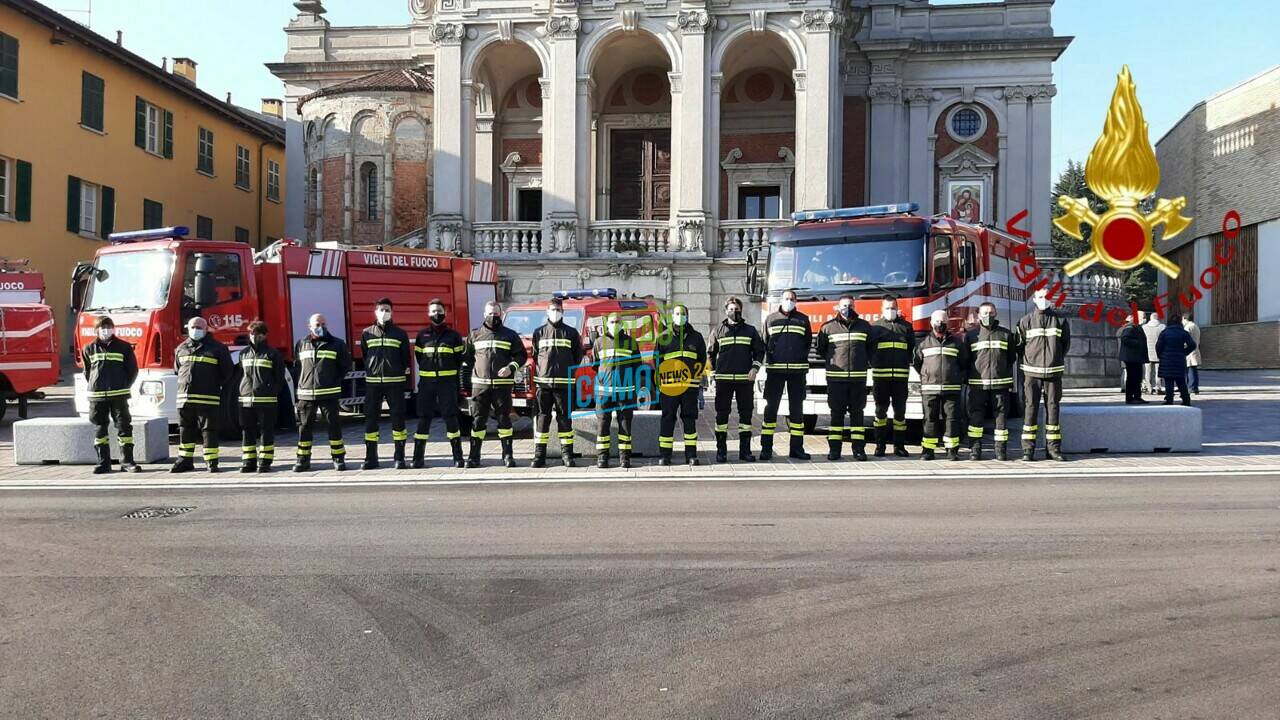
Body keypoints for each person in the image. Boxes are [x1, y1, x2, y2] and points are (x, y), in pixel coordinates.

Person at [464, 300, 526, 468]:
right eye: (490, 313)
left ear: (501, 314)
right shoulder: (475, 335)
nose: (493, 316)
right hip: (480, 387)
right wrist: (469, 383)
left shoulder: (510, 335)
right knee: (478, 422)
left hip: (502, 386)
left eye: (496, 313)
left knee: (504, 421)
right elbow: (467, 359)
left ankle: (507, 456)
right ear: (484, 314)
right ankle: (474, 457)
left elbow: (521, 356)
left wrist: (510, 368)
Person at [171, 317, 233, 473]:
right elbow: (177, 371)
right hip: (185, 399)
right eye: (193, 326)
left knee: (209, 430)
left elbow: (227, 372)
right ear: (188, 328)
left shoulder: (217, 348)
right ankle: (185, 460)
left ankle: (211, 461)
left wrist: (212, 385)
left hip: (208, 397)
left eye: (199, 327)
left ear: (206, 329)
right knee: (185, 429)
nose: (195, 329)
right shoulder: (181, 348)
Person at [1016, 287, 1071, 462]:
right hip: (1032, 373)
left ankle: (1053, 449)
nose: (1044, 300)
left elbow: (1065, 345)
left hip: (1053, 372)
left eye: (1046, 297)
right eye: (1040, 297)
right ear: (1034, 299)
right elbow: (1019, 346)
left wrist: (1055, 359)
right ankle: (1028, 450)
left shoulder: (1061, 321)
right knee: (1030, 409)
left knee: (1053, 409)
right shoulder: (1025, 321)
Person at [816, 295, 873, 461]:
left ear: (855, 306)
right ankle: (834, 450)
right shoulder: (827, 327)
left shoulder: (864, 327)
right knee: (836, 415)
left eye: (850, 305)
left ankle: (859, 450)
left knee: (857, 416)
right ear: (837, 307)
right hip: (836, 380)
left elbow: (871, 348)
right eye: (844, 305)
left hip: (858, 379)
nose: (847, 307)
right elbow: (821, 349)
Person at [708, 296, 764, 463]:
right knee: (721, 416)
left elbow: (759, 351)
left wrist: (755, 368)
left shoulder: (750, 330)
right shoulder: (718, 331)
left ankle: (745, 452)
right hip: (723, 380)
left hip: (744, 381)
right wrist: (712, 374)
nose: (734, 312)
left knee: (746, 416)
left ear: (741, 310)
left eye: (737, 309)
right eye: (731, 309)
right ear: (726, 311)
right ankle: (721, 451)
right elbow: (710, 353)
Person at [412, 299, 467, 469]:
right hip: (427, 384)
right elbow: (420, 358)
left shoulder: (454, 336)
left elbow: (459, 360)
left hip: (447, 384)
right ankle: (418, 458)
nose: (437, 314)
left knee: (451, 418)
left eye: (439, 311)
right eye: (433, 311)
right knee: (423, 418)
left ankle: (458, 457)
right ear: (429, 314)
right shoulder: (422, 336)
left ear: (445, 312)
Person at [82, 316, 140, 474]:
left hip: (119, 395)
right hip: (97, 397)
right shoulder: (89, 348)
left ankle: (127, 461)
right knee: (100, 429)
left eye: (108, 327)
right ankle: (103, 463)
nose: (105, 330)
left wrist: (123, 386)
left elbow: (132, 371)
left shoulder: (124, 347)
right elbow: (88, 372)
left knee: (124, 427)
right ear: (96, 330)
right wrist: (96, 386)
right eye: (102, 327)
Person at [531, 297, 583, 468]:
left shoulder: (571, 333)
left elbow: (577, 357)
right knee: (542, 420)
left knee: (565, 420)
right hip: (543, 385)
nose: (555, 312)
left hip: (564, 384)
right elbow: (535, 355)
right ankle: (539, 456)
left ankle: (567, 455)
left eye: (558, 310)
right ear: (547, 311)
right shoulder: (538, 332)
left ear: (562, 312)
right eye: (552, 309)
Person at [294, 313, 351, 472]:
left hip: (329, 393)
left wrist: (333, 380)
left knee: (334, 426)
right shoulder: (301, 344)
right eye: (317, 324)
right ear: (309, 326)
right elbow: (298, 366)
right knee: (304, 428)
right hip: (306, 394)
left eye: (323, 324)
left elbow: (345, 366)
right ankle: (303, 460)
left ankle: (338, 459)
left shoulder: (337, 344)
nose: (321, 327)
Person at [360, 298, 412, 469]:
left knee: (398, 421)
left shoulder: (400, 334)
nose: (384, 313)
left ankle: (399, 457)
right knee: (370, 421)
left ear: (392, 312)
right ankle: (371, 458)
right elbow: (365, 355)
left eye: (387, 309)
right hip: (373, 384)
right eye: (381, 309)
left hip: (395, 384)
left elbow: (406, 360)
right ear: (375, 312)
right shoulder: (367, 333)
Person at [762, 289, 812, 460]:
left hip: (797, 372)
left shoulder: (803, 320)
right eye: (786, 298)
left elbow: (807, 343)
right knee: (770, 410)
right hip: (775, 372)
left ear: (796, 301)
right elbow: (764, 343)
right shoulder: (770, 319)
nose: (789, 301)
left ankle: (797, 449)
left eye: (792, 298)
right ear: (781, 300)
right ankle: (766, 449)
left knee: (797, 412)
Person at [964, 302, 1018, 461]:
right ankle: (975, 450)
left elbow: (1011, 358)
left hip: (1000, 383)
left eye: (991, 312)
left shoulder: (1006, 334)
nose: (988, 316)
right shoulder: (971, 336)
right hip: (978, 384)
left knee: (1001, 419)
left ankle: (1001, 450)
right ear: (979, 315)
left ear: (996, 314)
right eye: (985, 313)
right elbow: (966, 360)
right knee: (976, 418)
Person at [656, 304, 707, 467]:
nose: (680, 316)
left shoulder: (697, 338)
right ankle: (665, 456)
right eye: (677, 313)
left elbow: (702, 360)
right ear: (673, 316)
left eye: (682, 313)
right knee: (667, 419)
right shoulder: (663, 337)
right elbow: (657, 362)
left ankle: (691, 455)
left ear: (687, 316)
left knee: (689, 419)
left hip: (689, 387)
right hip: (670, 387)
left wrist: (697, 380)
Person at [913, 310, 968, 461]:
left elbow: (964, 363)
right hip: (930, 388)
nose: (940, 324)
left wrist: (956, 377)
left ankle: (951, 450)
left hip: (951, 389)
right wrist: (927, 375)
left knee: (951, 419)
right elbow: (917, 363)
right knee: (929, 419)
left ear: (948, 323)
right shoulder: (923, 344)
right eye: (937, 321)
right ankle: (928, 450)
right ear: (931, 323)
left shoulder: (957, 343)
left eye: (943, 321)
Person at [592, 312, 640, 468]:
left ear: (622, 324)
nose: (615, 324)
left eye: (618, 321)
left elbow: (637, 366)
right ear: (607, 324)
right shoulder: (599, 342)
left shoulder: (631, 342)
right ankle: (602, 458)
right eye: (612, 321)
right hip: (603, 392)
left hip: (625, 391)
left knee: (625, 425)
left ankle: (624, 458)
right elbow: (594, 365)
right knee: (602, 425)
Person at [237, 320, 285, 473]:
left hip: (266, 400)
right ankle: (248, 462)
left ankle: (265, 461)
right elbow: (242, 374)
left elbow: (279, 378)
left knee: (266, 431)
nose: (253, 336)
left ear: (264, 335)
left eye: (257, 333)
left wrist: (271, 391)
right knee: (247, 430)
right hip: (245, 401)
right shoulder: (244, 353)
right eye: (251, 333)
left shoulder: (273, 354)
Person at [869, 296, 914, 457]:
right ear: (882, 310)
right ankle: (880, 446)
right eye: (887, 308)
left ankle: (899, 446)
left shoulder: (907, 327)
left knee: (900, 414)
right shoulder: (875, 328)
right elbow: (870, 351)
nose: (890, 311)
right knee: (880, 413)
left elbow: (911, 351)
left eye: (893, 307)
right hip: (881, 379)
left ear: (897, 308)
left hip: (901, 379)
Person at [1157, 313, 1197, 406]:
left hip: (1166, 359)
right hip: (1179, 359)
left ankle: (1169, 400)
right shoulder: (1183, 333)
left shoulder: (1164, 333)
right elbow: (1193, 345)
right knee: (1181, 380)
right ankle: (1186, 399)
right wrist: (1184, 352)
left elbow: (1158, 346)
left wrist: (1161, 355)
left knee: (1168, 380)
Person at [1118, 311, 1150, 405]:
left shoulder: (1136, 327)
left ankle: (1137, 396)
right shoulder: (1130, 327)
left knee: (1137, 378)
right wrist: (1137, 343)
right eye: (1143, 316)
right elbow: (1125, 338)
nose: (1144, 318)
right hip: (1132, 357)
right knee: (1132, 378)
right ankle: (1130, 397)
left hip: (1136, 357)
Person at [1142, 312, 1165, 396]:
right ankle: (1158, 388)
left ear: (1150, 318)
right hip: (1159, 352)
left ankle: (1149, 388)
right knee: (1158, 372)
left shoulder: (1144, 327)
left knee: (1147, 372)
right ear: (1157, 318)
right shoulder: (1162, 327)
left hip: (1147, 352)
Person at [1183, 312, 1202, 394]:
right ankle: (1194, 387)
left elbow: (1185, 340)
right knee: (1193, 370)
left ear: (1184, 318)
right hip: (1196, 349)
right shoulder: (1196, 326)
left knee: (1190, 370)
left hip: (1189, 351)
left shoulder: (1187, 327)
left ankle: (1191, 387)